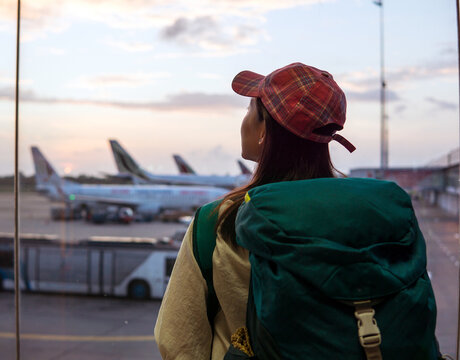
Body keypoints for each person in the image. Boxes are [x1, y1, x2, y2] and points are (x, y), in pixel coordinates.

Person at [154, 63, 438, 359]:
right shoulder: (378, 215)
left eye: (249, 110)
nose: (245, 120)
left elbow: (178, 341)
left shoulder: (219, 222)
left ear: (264, 128)